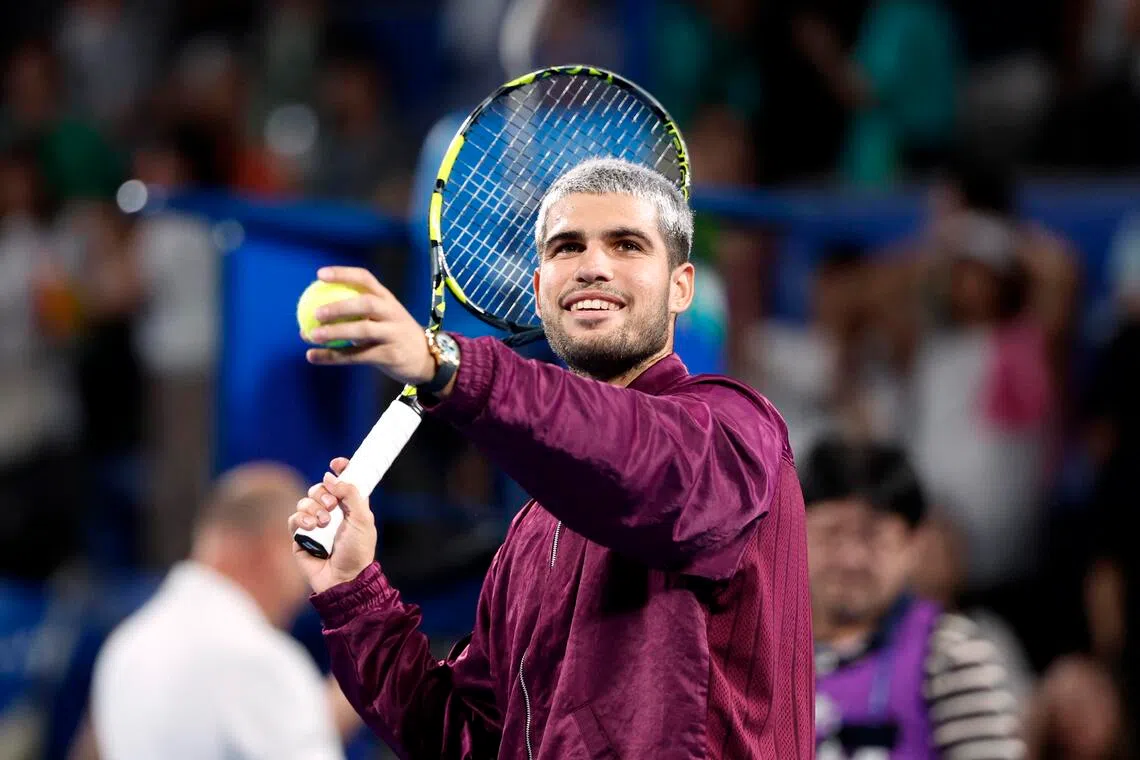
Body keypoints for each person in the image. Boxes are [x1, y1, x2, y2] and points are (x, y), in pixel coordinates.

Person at [289, 158, 814, 758]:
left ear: (680, 288)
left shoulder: (736, 428)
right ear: (539, 292)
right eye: (568, 247)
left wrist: (451, 366)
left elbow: (641, 460)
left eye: (627, 245)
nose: (593, 266)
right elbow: (469, 739)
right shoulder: (533, 533)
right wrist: (354, 591)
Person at [89, 462, 358, 760]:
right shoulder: (257, 658)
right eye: (309, 553)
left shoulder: (126, 646)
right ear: (273, 550)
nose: (307, 587)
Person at [802, 437, 1024, 759]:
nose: (850, 558)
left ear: (915, 545)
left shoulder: (951, 653)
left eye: (872, 537)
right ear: (794, 530)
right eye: (831, 533)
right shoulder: (757, 656)